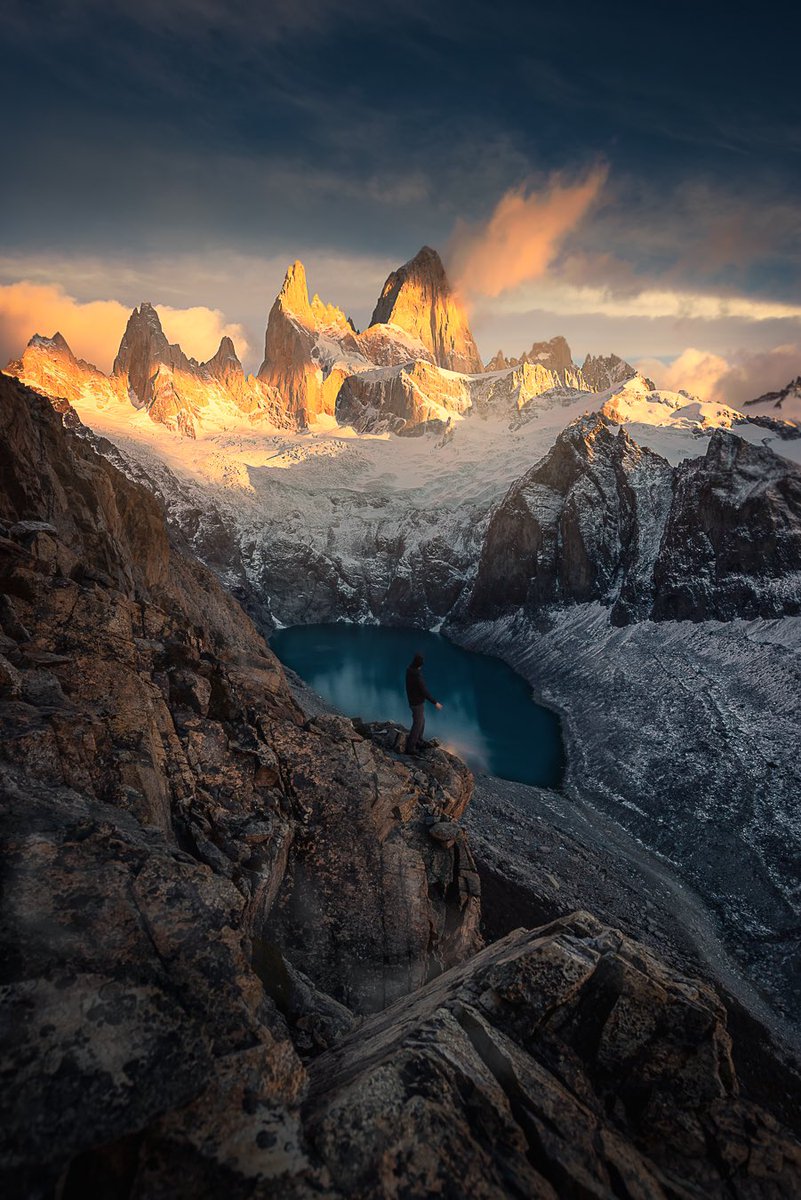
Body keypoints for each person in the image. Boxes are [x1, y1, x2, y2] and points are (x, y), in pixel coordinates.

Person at [405, 652, 442, 754]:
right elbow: (424, 691)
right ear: (419, 665)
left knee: (422, 721)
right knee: (417, 724)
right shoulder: (417, 676)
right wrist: (435, 703)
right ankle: (411, 747)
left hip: (412, 700)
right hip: (417, 703)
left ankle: (419, 740)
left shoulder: (409, 670)